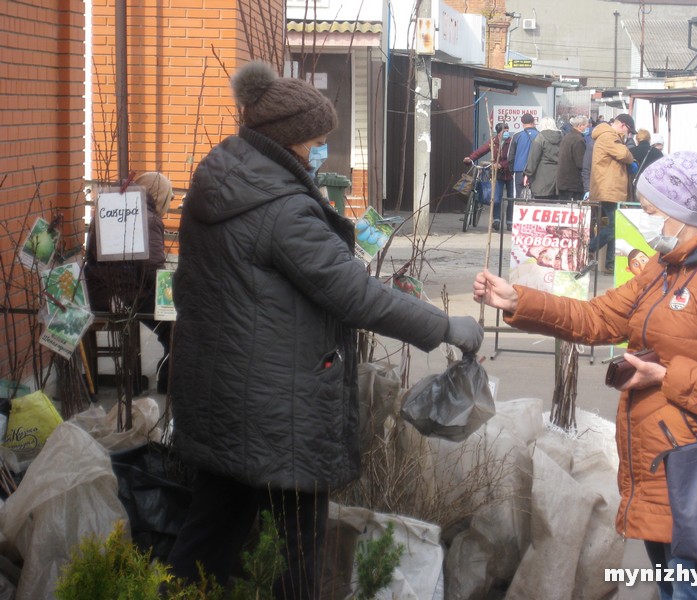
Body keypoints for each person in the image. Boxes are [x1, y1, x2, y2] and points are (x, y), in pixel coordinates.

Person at [167, 60, 484, 597]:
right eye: (316, 143)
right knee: (298, 550)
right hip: (278, 409)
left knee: (208, 537)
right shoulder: (283, 211)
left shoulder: (220, 180)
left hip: (220, 394)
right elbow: (355, 295)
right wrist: (446, 326)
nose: (321, 153)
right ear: (287, 142)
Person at [473, 151, 697, 600]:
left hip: (696, 468)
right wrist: (519, 300)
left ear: (681, 211)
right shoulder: (666, 266)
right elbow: (598, 318)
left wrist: (664, 375)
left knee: (691, 591)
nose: (647, 220)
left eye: (652, 211)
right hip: (653, 464)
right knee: (671, 587)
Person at [85, 171, 174, 393]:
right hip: (130, 293)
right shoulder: (150, 219)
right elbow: (153, 269)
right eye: (169, 197)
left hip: (101, 291)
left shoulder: (108, 208)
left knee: (169, 318)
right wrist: (169, 297)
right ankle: (169, 381)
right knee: (177, 324)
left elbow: (91, 254)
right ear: (158, 195)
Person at [587, 114, 636, 273]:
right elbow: (623, 154)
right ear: (622, 125)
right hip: (609, 189)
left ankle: (610, 263)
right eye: (628, 131)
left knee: (613, 225)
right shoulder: (609, 136)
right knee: (615, 226)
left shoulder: (606, 136)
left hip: (608, 188)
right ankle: (590, 248)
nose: (628, 135)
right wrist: (632, 160)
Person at [464, 122, 514, 231]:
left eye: (507, 130)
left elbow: (512, 158)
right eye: (504, 131)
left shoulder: (511, 142)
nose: (506, 133)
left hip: (510, 173)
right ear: (498, 132)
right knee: (496, 198)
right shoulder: (493, 142)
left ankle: (510, 222)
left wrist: (502, 164)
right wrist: (471, 158)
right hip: (498, 174)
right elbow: (480, 151)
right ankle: (496, 220)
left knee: (511, 199)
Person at [523, 117, 562, 200]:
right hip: (558, 180)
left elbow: (533, 159)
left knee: (541, 206)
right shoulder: (562, 137)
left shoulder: (540, 138)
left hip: (541, 180)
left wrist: (527, 174)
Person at [556, 115, 588, 200]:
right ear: (580, 126)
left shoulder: (567, 136)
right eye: (586, 125)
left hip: (563, 180)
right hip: (573, 183)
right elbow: (581, 163)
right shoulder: (578, 140)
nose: (587, 128)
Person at [507, 113, 538, 197]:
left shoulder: (517, 136)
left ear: (522, 123)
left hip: (519, 171)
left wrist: (511, 170)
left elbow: (510, 156)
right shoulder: (540, 135)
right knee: (535, 198)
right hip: (535, 171)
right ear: (533, 122)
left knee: (518, 197)